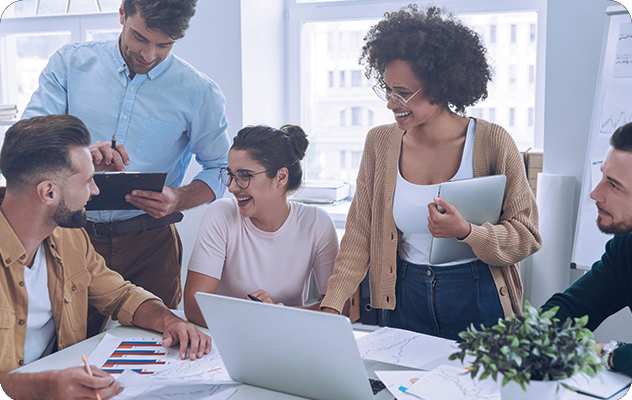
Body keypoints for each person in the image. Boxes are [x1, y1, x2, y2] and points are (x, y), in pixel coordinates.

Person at [320, 5, 542, 340]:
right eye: (387, 89)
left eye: (404, 93)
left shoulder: (493, 141)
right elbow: (358, 236)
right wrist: (330, 308)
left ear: (440, 87)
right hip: (403, 296)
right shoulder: (380, 143)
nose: (391, 103)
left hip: (476, 296)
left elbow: (527, 236)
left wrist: (467, 232)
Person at [21, 0, 230, 337]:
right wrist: (80, 157)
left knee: (163, 343)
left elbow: (221, 168)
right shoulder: (70, 64)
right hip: (70, 236)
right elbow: (28, 143)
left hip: (150, 244)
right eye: (140, 38)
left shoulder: (199, 92)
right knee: (69, 345)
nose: (149, 55)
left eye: (164, 45)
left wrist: (179, 196)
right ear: (122, 14)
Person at [0, 115, 212, 400]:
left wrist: (170, 322)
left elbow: (121, 295)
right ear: (48, 192)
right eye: (88, 181)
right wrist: (48, 386)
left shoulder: (69, 237)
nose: (95, 191)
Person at [183, 125, 339, 327]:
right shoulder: (220, 215)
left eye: (244, 176)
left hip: (289, 341)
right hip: (227, 340)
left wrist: (275, 313)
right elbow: (194, 305)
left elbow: (338, 308)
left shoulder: (317, 223)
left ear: (281, 177)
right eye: (230, 174)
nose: (231, 187)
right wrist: (260, 316)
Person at [542, 122, 632, 377]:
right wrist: (529, 336)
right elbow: (571, 309)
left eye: (613, 185)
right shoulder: (625, 247)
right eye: (602, 176)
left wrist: (609, 353)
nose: (595, 193)